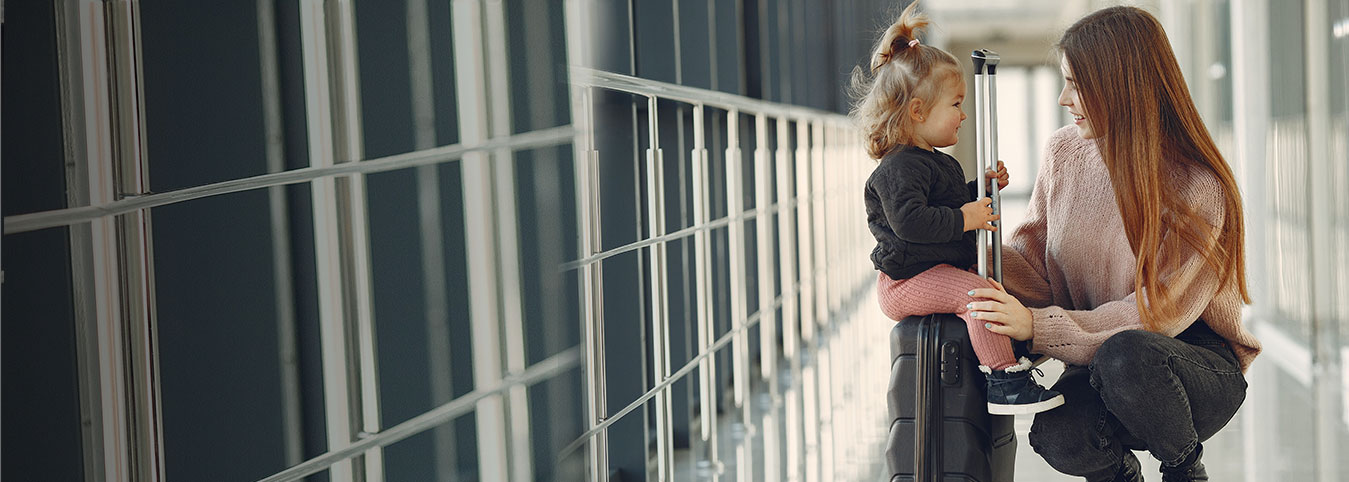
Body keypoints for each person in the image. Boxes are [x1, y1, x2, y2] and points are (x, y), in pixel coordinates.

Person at [965, 6, 1263, 482]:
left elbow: (1156, 314)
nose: (1064, 98)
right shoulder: (1064, 153)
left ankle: (1185, 470)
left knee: (1127, 356)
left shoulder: (1197, 186)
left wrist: (1037, 327)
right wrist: (972, 235)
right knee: (1057, 433)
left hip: (1189, 364)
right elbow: (1036, 269)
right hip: (1102, 356)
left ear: (1122, 85)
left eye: (1076, 84)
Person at [852, 0, 1064, 415]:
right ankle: (1004, 378)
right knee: (978, 295)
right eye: (955, 105)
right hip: (905, 280)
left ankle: (1017, 342)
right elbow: (912, 222)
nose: (964, 116)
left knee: (995, 284)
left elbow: (943, 204)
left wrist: (977, 189)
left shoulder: (934, 160)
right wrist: (967, 216)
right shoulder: (898, 167)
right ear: (917, 111)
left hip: (932, 266)